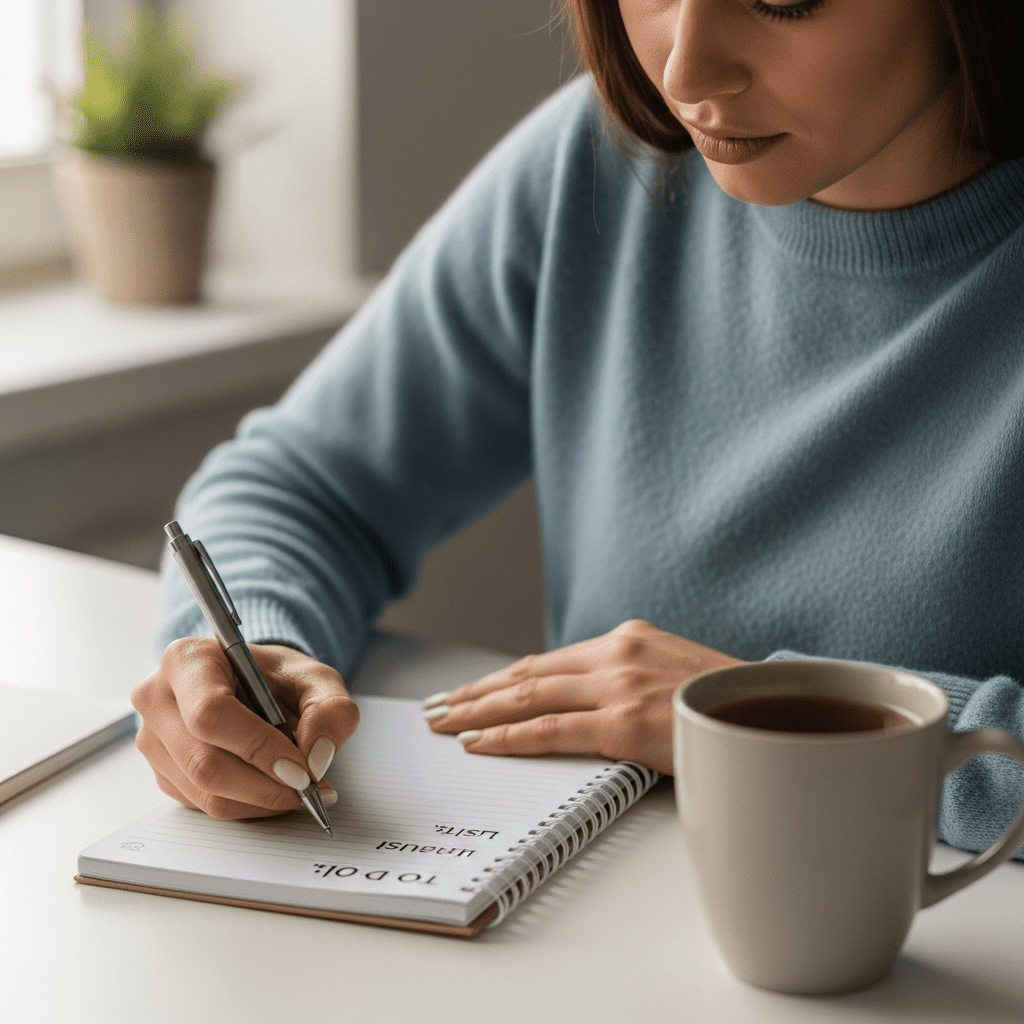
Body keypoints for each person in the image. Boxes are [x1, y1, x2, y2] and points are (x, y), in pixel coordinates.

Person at [132, 0, 1024, 858]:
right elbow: (295, 487)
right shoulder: (602, 162)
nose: (686, 68)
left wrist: (765, 720)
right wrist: (252, 652)